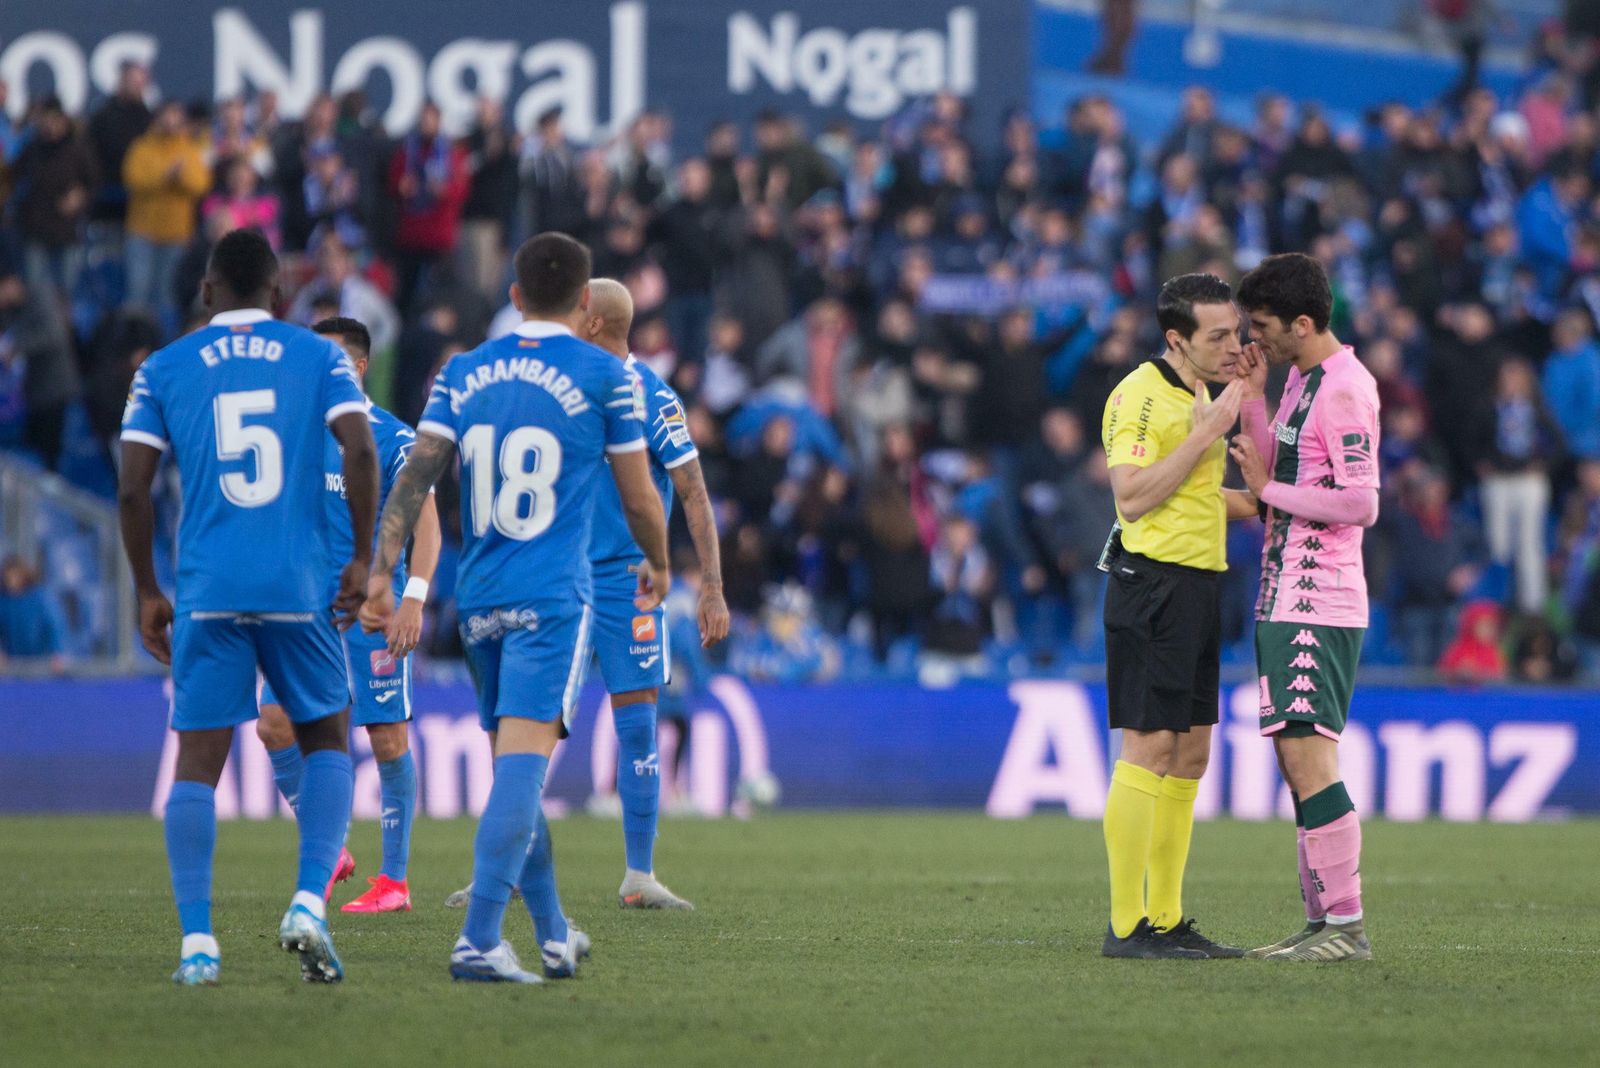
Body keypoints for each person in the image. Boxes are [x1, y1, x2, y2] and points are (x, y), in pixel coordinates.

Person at [358, 233, 670, 983]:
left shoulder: (461, 372)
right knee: (522, 774)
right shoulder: (604, 373)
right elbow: (636, 493)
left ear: (515, 294)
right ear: (586, 302)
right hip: (553, 599)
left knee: (511, 766)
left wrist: (382, 572)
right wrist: (659, 561)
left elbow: (415, 481)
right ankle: (478, 938)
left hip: (480, 597)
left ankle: (555, 932)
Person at [117, 228, 380, 985]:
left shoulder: (162, 368)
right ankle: (308, 900)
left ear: (205, 291)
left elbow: (134, 487)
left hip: (208, 587)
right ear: (277, 293)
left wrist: (146, 590)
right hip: (298, 584)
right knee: (329, 735)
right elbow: (360, 451)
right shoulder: (320, 356)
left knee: (198, 762)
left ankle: (198, 941)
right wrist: (360, 557)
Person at [254, 316, 442, 914]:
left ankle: (394, 881)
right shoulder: (298, 435)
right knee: (273, 724)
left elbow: (428, 527)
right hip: (305, 611)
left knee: (386, 737)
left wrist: (413, 595)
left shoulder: (393, 438)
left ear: (359, 367)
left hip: (372, 614)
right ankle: (329, 845)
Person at [1231, 252, 1382, 962]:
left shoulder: (1347, 389)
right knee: (1297, 761)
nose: (1253, 339)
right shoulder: (1299, 381)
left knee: (1311, 758)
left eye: (1262, 328)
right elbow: (1273, 481)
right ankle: (1322, 926)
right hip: (1281, 590)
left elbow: (1360, 502)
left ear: (1302, 322)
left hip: (1318, 597)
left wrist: (1267, 488)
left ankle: (1346, 927)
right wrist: (1258, 399)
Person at [1098, 272, 1253, 960]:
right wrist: (1211, 430)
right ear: (1176, 339)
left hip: (1197, 587)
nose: (1231, 345)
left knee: (1190, 753)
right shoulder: (1139, 396)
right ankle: (1127, 924)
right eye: (1217, 335)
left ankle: (1167, 917)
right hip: (1151, 587)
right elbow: (1132, 498)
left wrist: (1268, 498)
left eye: (1235, 331)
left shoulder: (1200, 394)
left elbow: (1195, 495)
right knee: (1150, 747)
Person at [575, 278, 728, 908]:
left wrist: (713, 586)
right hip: (557, 577)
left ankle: (639, 874)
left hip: (625, 580)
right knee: (523, 725)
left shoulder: (651, 396)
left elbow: (692, 489)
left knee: (639, 727)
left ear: (592, 322)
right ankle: (499, 867)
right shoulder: (563, 386)